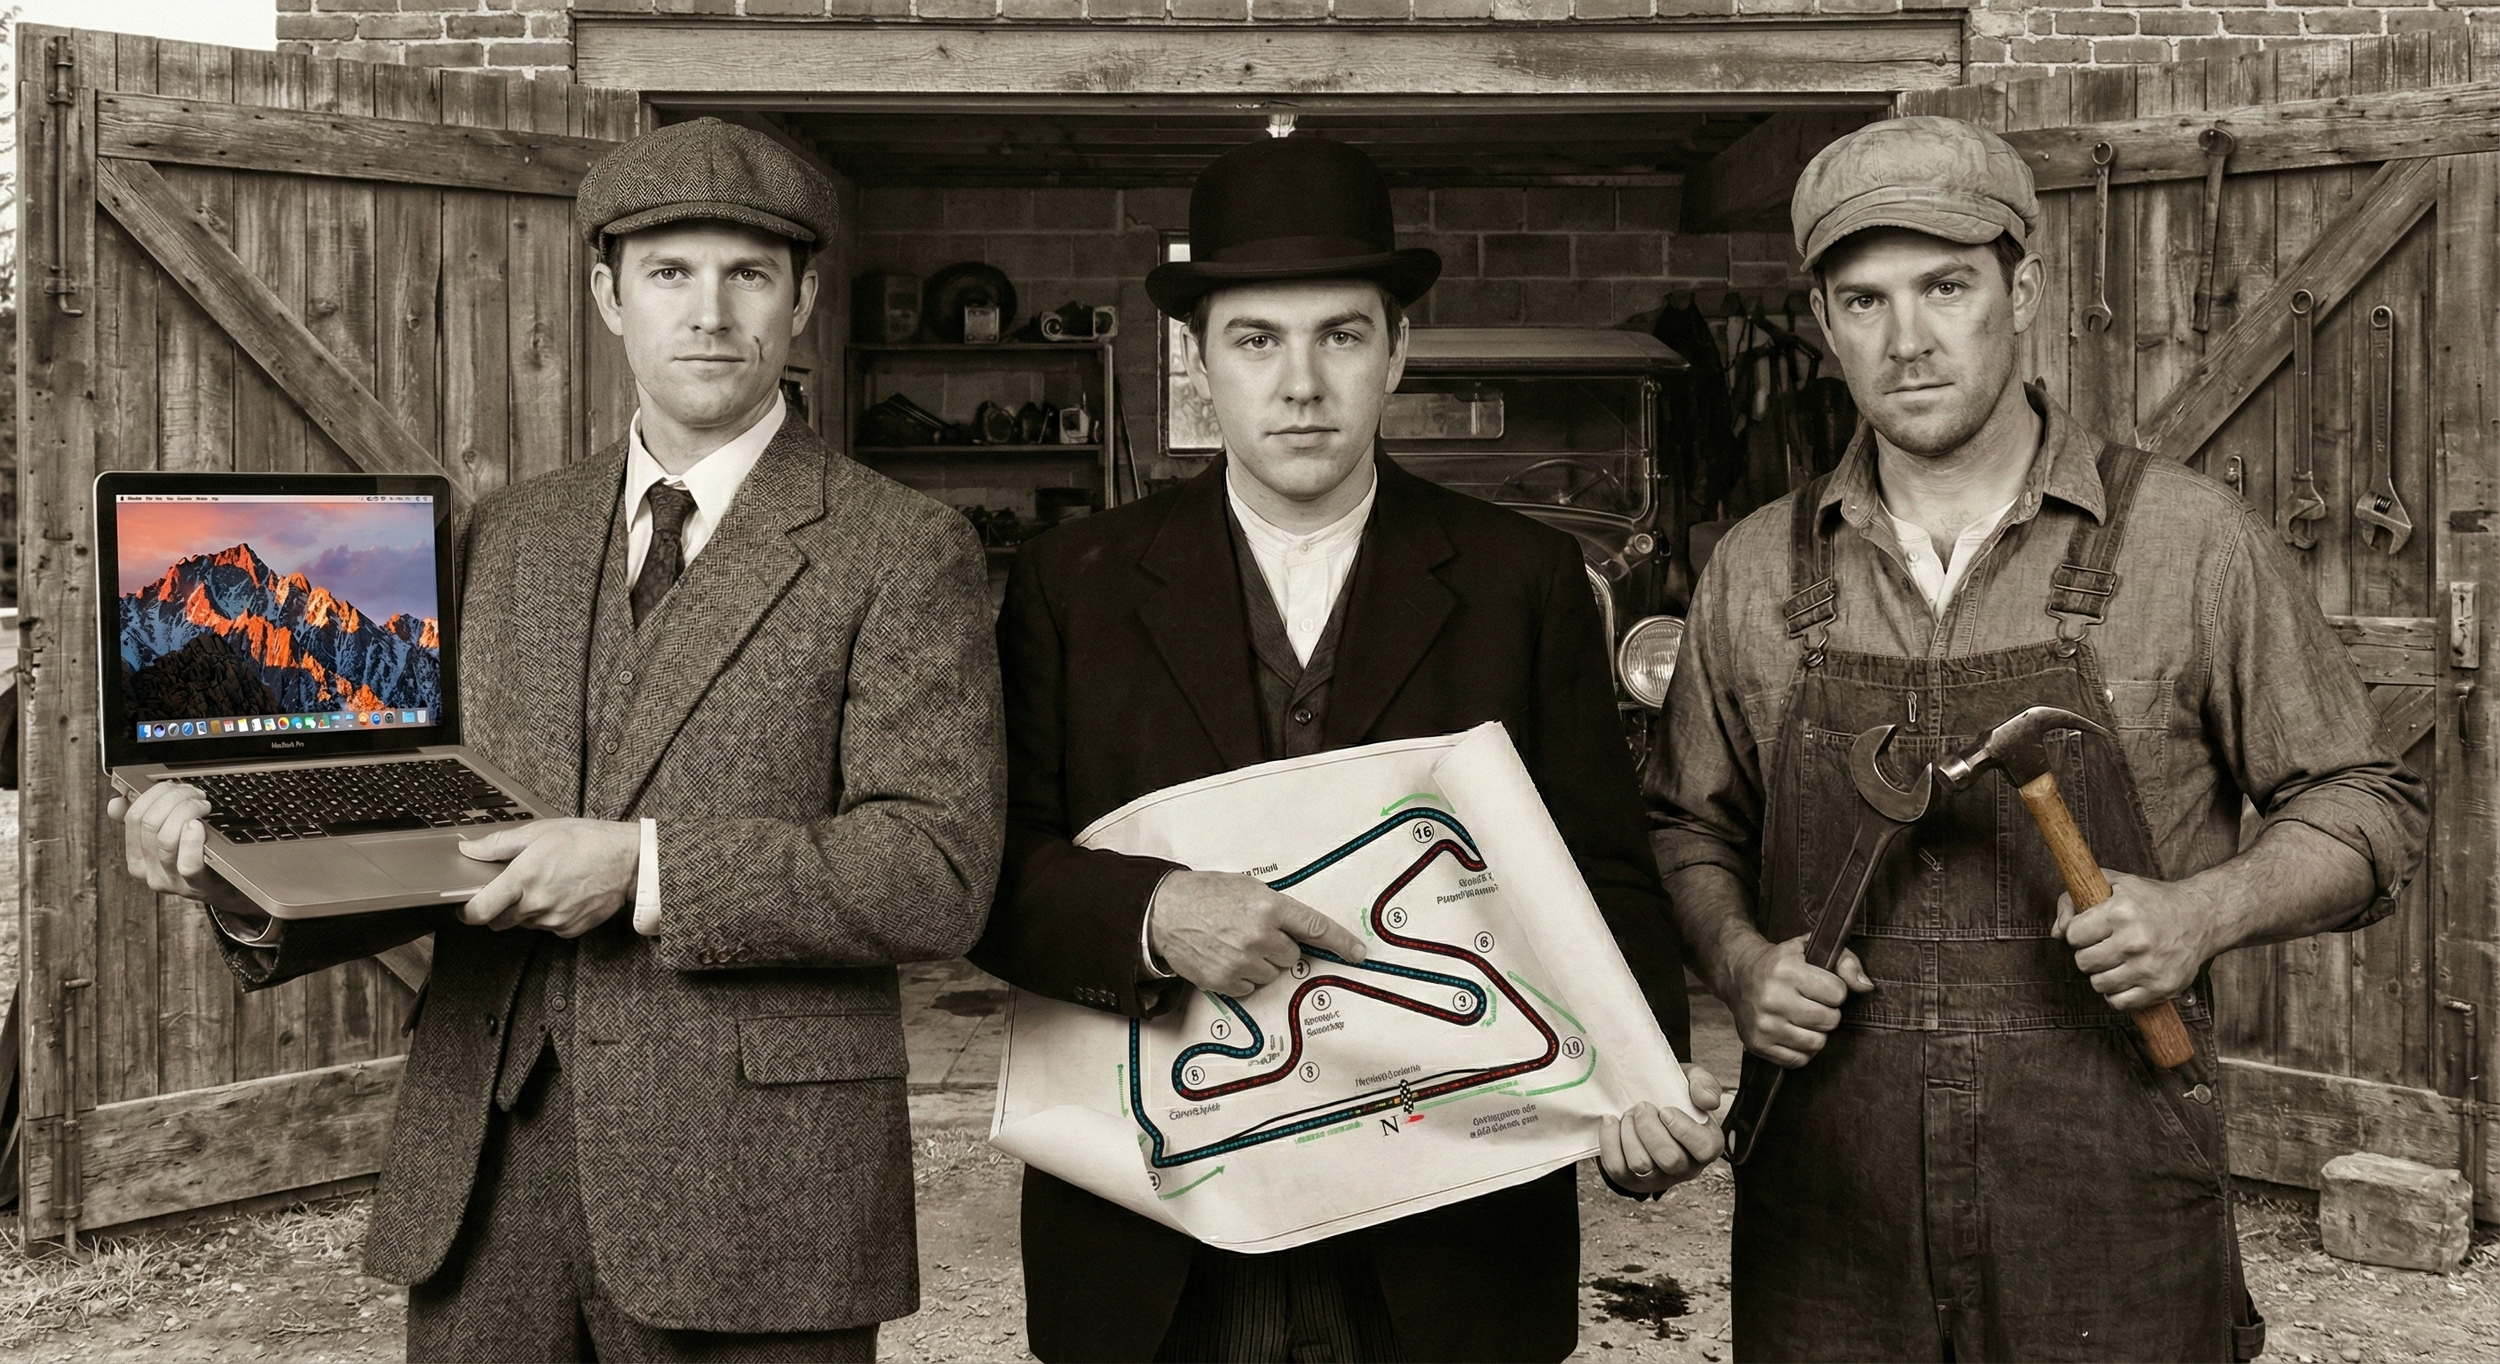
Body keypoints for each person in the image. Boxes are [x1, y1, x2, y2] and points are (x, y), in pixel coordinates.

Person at [110, 118, 1006, 1362]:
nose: (708, 312)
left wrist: (643, 870)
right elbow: (420, 832)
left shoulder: (903, 549)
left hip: (750, 1180)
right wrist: (226, 865)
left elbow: (937, 869)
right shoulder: (504, 535)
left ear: (801, 297)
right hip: (487, 1169)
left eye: (748, 274)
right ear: (606, 295)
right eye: (668, 272)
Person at [1645, 115, 2428, 1363]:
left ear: (2025, 288)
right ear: (1824, 320)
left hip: (2110, 1181)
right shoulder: (1754, 569)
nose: (1906, 341)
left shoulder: (2188, 542)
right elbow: (1689, 823)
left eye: (1945, 287)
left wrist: (2203, 910)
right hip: (1828, 1206)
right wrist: (1741, 962)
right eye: (1863, 301)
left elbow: (2366, 801)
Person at [969, 133, 1721, 1364]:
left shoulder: (1520, 576)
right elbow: (984, 876)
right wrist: (1153, 911)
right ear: (1199, 359)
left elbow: (1601, 865)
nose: (1300, 383)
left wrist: (1641, 1083)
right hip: (1162, 1231)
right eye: (1256, 340)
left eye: (1341, 334)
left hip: (1446, 1233)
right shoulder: (1072, 583)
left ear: (1398, 353)